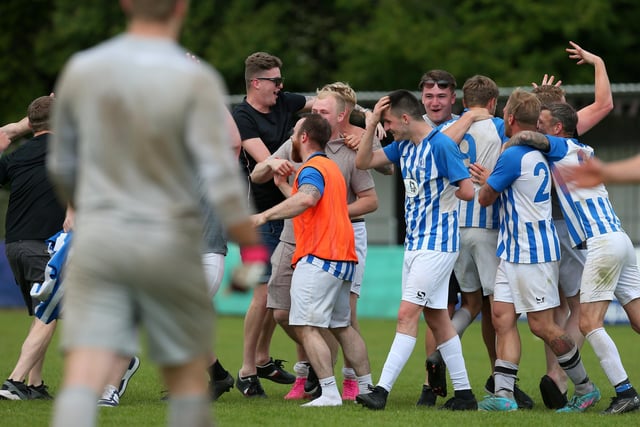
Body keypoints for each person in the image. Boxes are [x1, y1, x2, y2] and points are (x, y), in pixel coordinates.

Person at [48, 1, 266, 426]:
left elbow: (64, 165)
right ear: (181, 9)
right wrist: (252, 250)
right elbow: (227, 171)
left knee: (84, 367)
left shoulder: (85, 68)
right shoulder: (193, 79)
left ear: (125, 5)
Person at [503, 101, 640, 414]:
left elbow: (531, 140)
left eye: (543, 121)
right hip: (619, 237)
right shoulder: (584, 148)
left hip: (602, 243)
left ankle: (625, 392)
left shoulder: (561, 146)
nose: (537, 125)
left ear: (557, 129)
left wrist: (511, 141)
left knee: (590, 322)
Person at [476, 90, 600, 413]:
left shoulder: (514, 155)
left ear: (511, 119)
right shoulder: (538, 150)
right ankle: (503, 395)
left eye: (505, 114)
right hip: (512, 250)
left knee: (541, 326)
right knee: (502, 317)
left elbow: (485, 197)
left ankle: (585, 388)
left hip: (533, 252)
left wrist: (488, 181)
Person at [251, 88, 378, 401]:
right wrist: (283, 186)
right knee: (342, 325)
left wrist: (262, 217)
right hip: (343, 255)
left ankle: (329, 392)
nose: (292, 138)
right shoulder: (330, 167)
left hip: (320, 256)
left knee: (306, 324)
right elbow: (312, 205)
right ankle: (366, 389)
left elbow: (307, 198)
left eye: (295, 133)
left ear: (304, 137)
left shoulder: (311, 169)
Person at [354, 90, 477, 411]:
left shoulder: (441, 145)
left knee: (406, 314)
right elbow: (363, 161)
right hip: (416, 245)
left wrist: (446, 194)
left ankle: (381, 390)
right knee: (439, 321)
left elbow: (466, 192)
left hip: (437, 246)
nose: (388, 128)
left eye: (389, 122)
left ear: (406, 119)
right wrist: (370, 126)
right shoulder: (404, 146)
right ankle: (465, 394)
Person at [529, 40, 614, 409]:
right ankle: (562, 376)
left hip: (540, 229)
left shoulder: (524, 133)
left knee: (555, 310)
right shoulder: (564, 136)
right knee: (579, 306)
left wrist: (539, 103)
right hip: (572, 228)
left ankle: (558, 379)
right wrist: (597, 62)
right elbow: (605, 104)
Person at [232, 51, 313, 397]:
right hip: (255, 216)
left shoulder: (286, 102)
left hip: (288, 214)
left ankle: (263, 359)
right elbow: (267, 162)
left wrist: (365, 119)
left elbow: (324, 105)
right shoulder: (242, 116)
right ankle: (247, 370)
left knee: (278, 294)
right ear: (256, 83)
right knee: (262, 291)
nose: (282, 88)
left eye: (282, 81)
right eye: (275, 82)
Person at [0, 96, 67, 401]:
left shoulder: (18, 155)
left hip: (14, 246)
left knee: (41, 315)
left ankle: (35, 384)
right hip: (43, 246)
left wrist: (13, 133)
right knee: (49, 315)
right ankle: (14, 381)